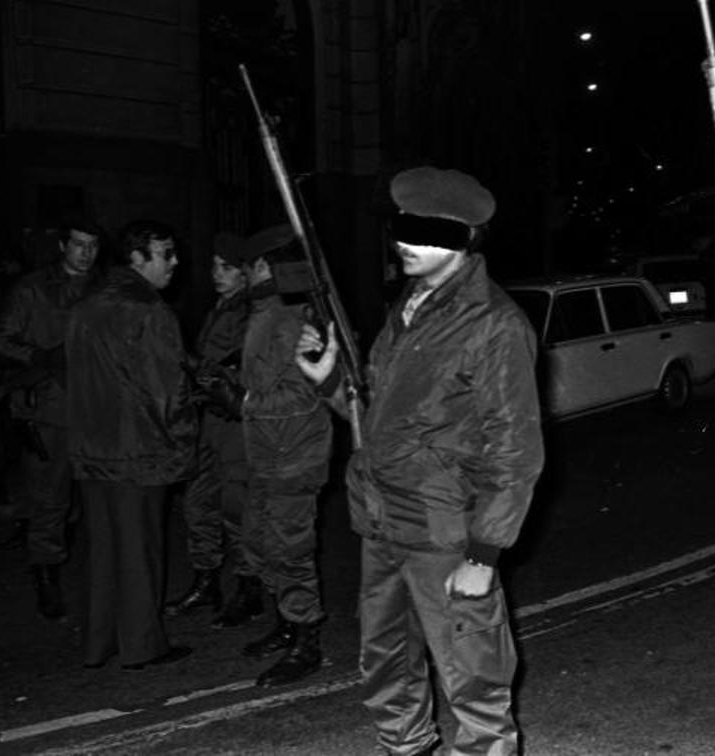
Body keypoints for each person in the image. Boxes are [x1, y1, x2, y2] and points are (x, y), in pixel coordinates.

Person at [295, 165, 545, 756]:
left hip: (445, 532)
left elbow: (516, 449)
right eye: (403, 227)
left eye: (426, 231)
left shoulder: (494, 324)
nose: (405, 242)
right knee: (385, 664)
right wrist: (328, 380)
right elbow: (381, 422)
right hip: (384, 521)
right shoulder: (410, 308)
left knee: (474, 678)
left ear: (465, 239)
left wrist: (483, 554)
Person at [67, 219, 198, 670]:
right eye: (165, 254)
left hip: (92, 449)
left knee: (104, 552)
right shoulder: (150, 311)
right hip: (138, 450)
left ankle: (100, 642)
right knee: (140, 550)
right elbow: (168, 393)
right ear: (137, 259)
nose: (175, 263)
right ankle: (142, 646)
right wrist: (183, 448)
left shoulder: (86, 306)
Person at [234, 223, 334, 688]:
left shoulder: (289, 314)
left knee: (290, 548)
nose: (244, 273)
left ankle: (306, 639)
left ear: (264, 266)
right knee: (261, 540)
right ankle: (287, 621)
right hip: (269, 449)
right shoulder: (266, 310)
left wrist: (244, 401)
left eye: (249, 265)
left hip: (294, 452)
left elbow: (305, 390)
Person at [0, 215, 102, 619]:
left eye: (92, 246)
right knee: (49, 499)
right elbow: (1, 340)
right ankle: (45, 576)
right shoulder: (33, 289)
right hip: (50, 409)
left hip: (97, 408)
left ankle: (98, 575)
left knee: (96, 498)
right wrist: (40, 357)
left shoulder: (105, 287)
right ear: (62, 247)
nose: (86, 253)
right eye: (78, 244)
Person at [166, 233, 254, 624]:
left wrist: (195, 366)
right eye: (215, 266)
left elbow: (239, 368)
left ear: (245, 272)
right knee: (198, 502)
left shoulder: (250, 311)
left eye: (227, 267)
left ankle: (248, 587)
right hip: (209, 419)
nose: (217, 274)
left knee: (236, 506)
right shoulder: (219, 308)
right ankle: (207, 581)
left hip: (233, 420)